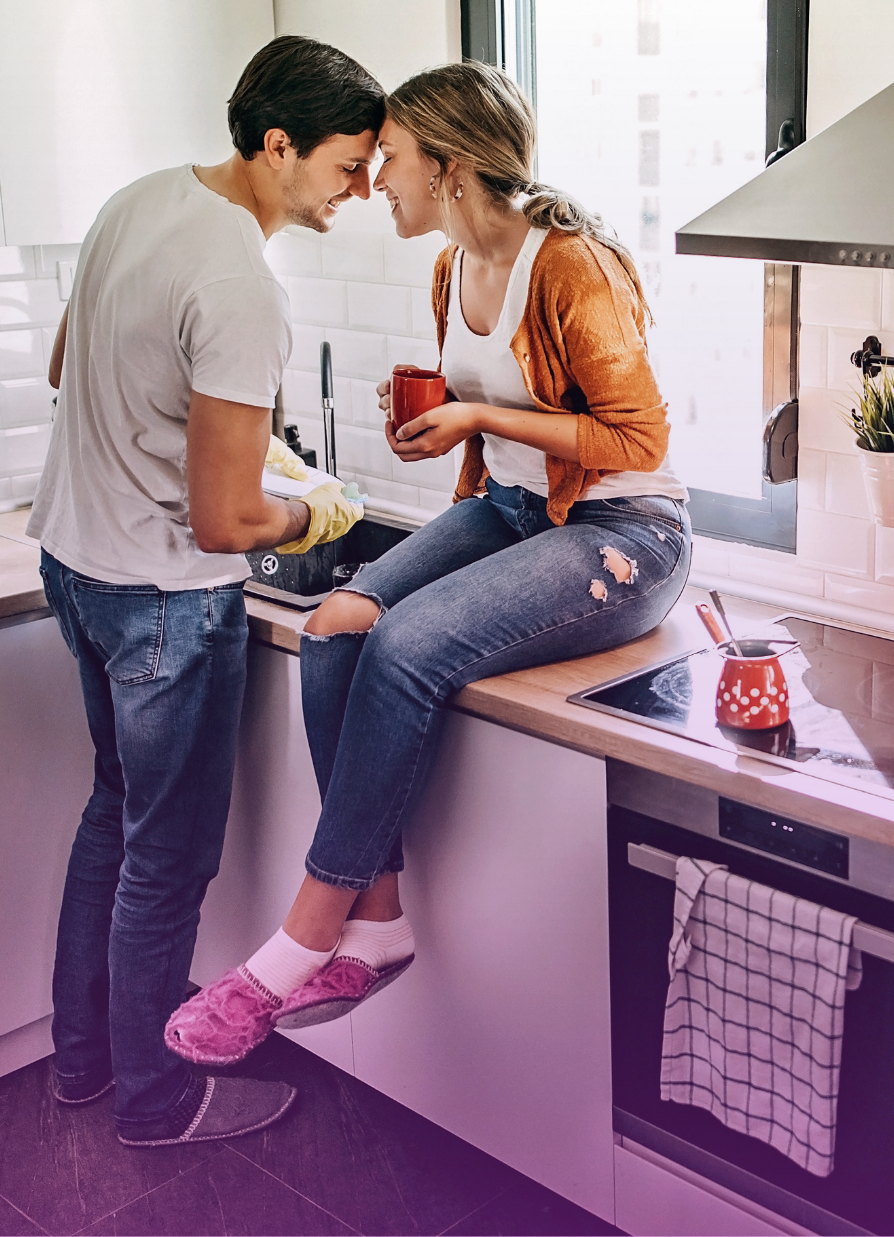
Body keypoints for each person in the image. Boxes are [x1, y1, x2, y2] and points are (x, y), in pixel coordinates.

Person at [164, 60, 692, 1064]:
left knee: (404, 644)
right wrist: (444, 429)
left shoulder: (571, 263)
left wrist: (481, 413)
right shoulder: (451, 268)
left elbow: (640, 440)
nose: (377, 183)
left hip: (628, 535)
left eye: (393, 161)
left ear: (451, 168)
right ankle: (384, 912)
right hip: (510, 511)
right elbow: (505, 431)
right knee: (335, 630)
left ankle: (299, 940)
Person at [27, 36, 380, 1147]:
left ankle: (83, 1065)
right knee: (165, 860)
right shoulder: (241, 283)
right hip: (165, 602)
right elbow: (227, 523)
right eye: (345, 165)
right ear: (279, 146)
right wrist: (311, 510)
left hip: (77, 566)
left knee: (112, 819)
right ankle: (157, 1096)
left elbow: (69, 371)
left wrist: (259, 452)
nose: (361, 189)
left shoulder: (138, 203)